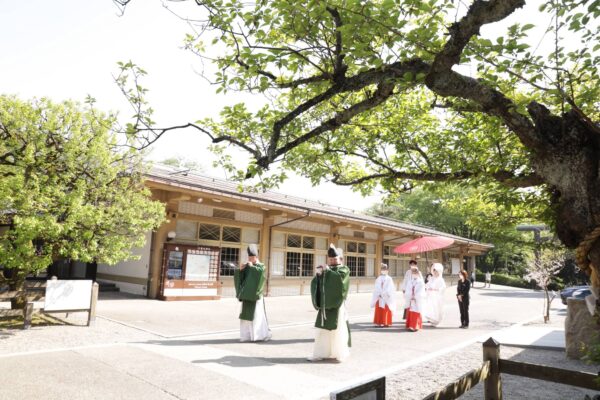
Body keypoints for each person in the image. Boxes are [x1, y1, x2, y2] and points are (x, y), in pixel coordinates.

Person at [308, 244, 351, 362]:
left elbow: (340, 282)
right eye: (330, 259)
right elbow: (316, 284)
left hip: (337, 306)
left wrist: (329, 272)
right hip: (324, 306)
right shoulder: (326, 269)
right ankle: (320, 353)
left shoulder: (344, 269)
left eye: (335, 259)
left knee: (338, 330)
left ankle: (340, 353)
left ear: (340, 259)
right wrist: (318, 275)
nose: (332, 261)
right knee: (322, 331)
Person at [234, 244, 271, 342]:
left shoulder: (261, 266)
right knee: (245, 316)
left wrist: (252, 267)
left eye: (252, 257)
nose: (250, 259)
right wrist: (240, 270)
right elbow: (241, 278)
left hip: (255, 296)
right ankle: (246, 336)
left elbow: (260, 274)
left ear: (256, 257)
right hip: (247, 295)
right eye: (249, 257)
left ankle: (259, 335)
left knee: (257, 316)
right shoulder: (247, 266)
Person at [404, 263, 425, 332]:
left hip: (417, 299)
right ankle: (410, 325)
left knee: (416, 311)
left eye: (415, 272)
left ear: (418, 273)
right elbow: (408, 289)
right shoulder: (410, 281)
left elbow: (421, 290)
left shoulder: (421, 281)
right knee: (411, 311)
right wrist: (410, 296)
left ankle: (415, 325)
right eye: (413, 272)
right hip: (411, 299)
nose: (414, 273)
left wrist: (415, 296)